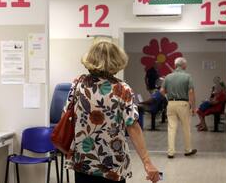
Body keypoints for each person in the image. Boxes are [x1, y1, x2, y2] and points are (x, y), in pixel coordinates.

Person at [64, 39, 160, 183]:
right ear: (116, 62)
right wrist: (147, 162)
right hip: (113, 162)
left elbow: (65, 115)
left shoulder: (77, 84)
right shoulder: (122, 89)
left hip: (83, 160)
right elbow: (132, 126)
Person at [161, 57, 197, 158]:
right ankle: (187, 150)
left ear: (175, 65)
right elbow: (191, 92)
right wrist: (193, 107)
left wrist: (168, 97)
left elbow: (162, 90)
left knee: (171, 128)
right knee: (186, 128)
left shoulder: (168, 77)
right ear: (184, 65)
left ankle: (171, 152)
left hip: (171, 104)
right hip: (183, 104)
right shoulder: (187, 76)